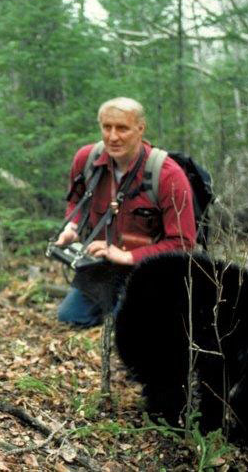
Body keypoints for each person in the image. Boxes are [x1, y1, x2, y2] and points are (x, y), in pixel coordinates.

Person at [54, 97, 197, 327]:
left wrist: (128, 256)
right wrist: (72, 227)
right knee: (71, 317)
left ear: (141, 129)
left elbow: (183, 243)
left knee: (128, 326)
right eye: (106, 127)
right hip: (103, 266)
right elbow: (76, 200)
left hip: (150, 270)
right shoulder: (87, 160)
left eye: (122, 128)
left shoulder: (168, 175)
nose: (112, 137)